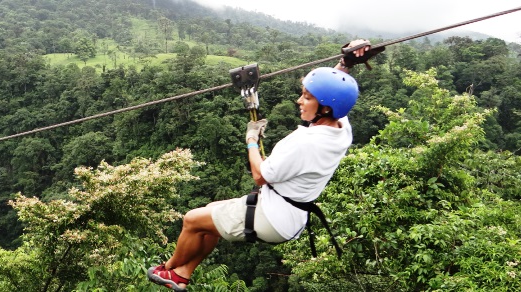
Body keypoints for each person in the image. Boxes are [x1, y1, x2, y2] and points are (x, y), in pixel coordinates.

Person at [147, 39, 375, 291]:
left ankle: (168, 270)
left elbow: (259, 175)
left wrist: (251, 140)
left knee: (191, 220)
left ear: (324, 107)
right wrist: (346, 64)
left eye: (307, 97)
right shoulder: (341, 128)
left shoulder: (304, 141)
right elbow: (335, 92)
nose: (300, 100)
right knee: (211, 214)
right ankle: (184, 273)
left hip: (273, 217)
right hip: (291, 214)